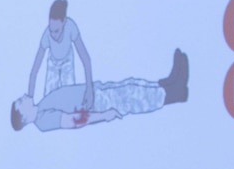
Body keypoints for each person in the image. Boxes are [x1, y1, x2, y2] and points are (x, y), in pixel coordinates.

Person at [11, 50, 189, 132]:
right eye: (20, 103)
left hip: (93, 93)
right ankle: (175, 92)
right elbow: (72, 121)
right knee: (134, 98)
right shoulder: (43, 121)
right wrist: (103, 115)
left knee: (130, 87)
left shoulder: (42, 105)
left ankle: (170, 83)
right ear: (25, 118)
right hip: (96, 104)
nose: (22, 98)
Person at [27, 0, 93, 113]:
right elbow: (34, 71)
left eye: (56, 31)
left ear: (64, 22)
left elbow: (86, 59)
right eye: (51, 30)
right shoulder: (46, 36)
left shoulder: (71, 27)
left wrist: (89, 88)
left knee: (69, 100)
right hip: (53, 64)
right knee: (48, 98)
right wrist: (30, 98)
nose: (53, 35)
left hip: (67, 61)